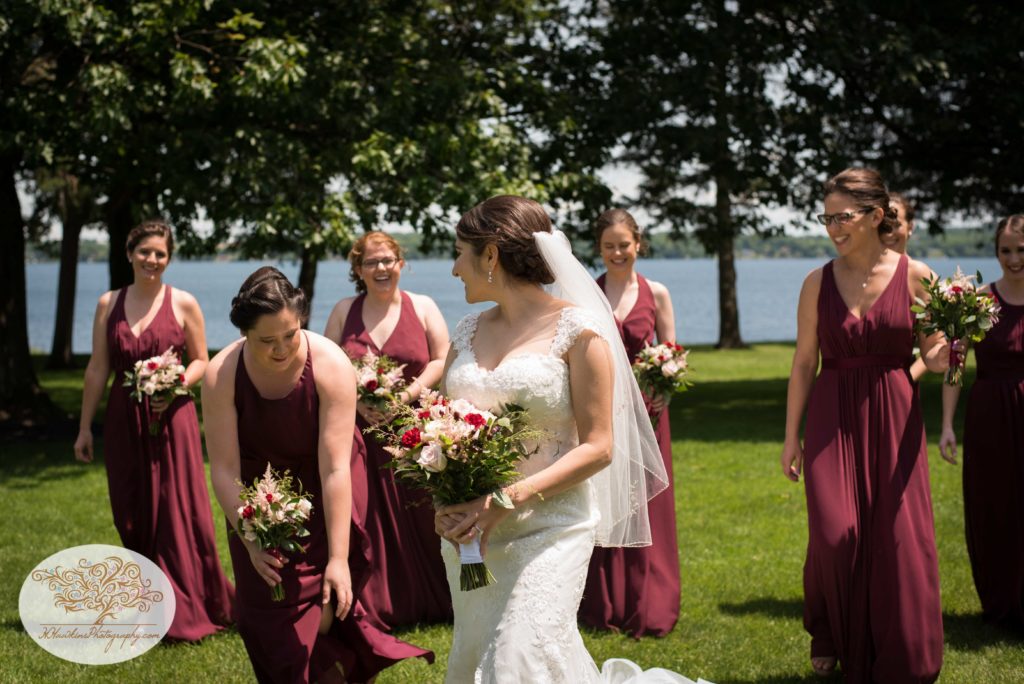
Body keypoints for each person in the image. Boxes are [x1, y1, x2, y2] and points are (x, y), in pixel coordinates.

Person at [434, 196, 698, 683]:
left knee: (518, 658)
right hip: (473, 533)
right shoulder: (467, 331)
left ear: (490, 255)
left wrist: (503, 499)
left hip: (550, 527)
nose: (454, 268)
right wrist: (447, 497)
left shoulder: (580, 331)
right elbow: (445, 425)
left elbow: (599, 446)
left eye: (459, 252)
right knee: (480, 657)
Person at [202, 267, 432, 683]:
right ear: (243, 334)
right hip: (257, 499)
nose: (281, 349)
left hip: (328, 486)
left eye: (290, 335)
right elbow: (223, 468)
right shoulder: (221, 374)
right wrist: (251, 537)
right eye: (266, 341)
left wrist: (339, 559)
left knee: (326, 605)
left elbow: (335, 467)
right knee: (262, 617)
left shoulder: (329, 363)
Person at [780, 169, 947, 682]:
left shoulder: (917, 275)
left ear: (876, 216)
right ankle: (830, 629)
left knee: (896, 538)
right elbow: (804, 361)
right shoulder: (816, 282)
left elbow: (934, 352)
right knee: (835, 535)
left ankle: (902, 653)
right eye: (827, 217)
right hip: (833, 414)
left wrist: (945, 353)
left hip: (894, 414)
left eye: (843, 217)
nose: (833, 227)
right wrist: (792, 435)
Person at [73, 219, 233, 641]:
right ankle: (145, 600)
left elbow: (201, 359)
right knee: (130, 508)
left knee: (177, 510)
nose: (152, 260)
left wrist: (176, 383)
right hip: (125, 421)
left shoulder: (184, 303)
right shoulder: (109, 303)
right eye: (145, 252)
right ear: (129, 253)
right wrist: (85, 427)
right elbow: (97, 368)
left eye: (161, 254)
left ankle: (185, 605)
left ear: (169, 258)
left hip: (172, 420)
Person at [323, 231, 453, 629]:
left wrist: (409, 395)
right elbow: (326, 364)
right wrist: (357, 400)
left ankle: (434, 600)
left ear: (401, 263)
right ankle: (373, 600)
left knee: (420, 517)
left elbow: (443, 358)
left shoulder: (425, 307)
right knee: (364, 514)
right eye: (371, 262)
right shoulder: (344, 311)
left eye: (387, 260)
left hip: (415, 433)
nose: (380, 269)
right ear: (358, 269)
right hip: (358, 434)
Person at [579, 208, 680, 637]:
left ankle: (647, 602)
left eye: (624, 244)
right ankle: (605, 603)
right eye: (608, 246)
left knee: (646, 504)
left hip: (649, 414)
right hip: (601, 412)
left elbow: (672, 351)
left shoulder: (656, 293)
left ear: (638, 244)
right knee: (604, 503)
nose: (617, 252)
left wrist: (666, 383)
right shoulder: (587, 294)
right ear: (599, 249)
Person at [939, 214, 1024, 630]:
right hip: (989, 415)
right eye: (1005, 250)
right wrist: (948, 424)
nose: (1013, 259)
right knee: (993, 507)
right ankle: (999, 602)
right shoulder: (977, 301)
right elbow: (956, 364)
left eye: (1021, 250)